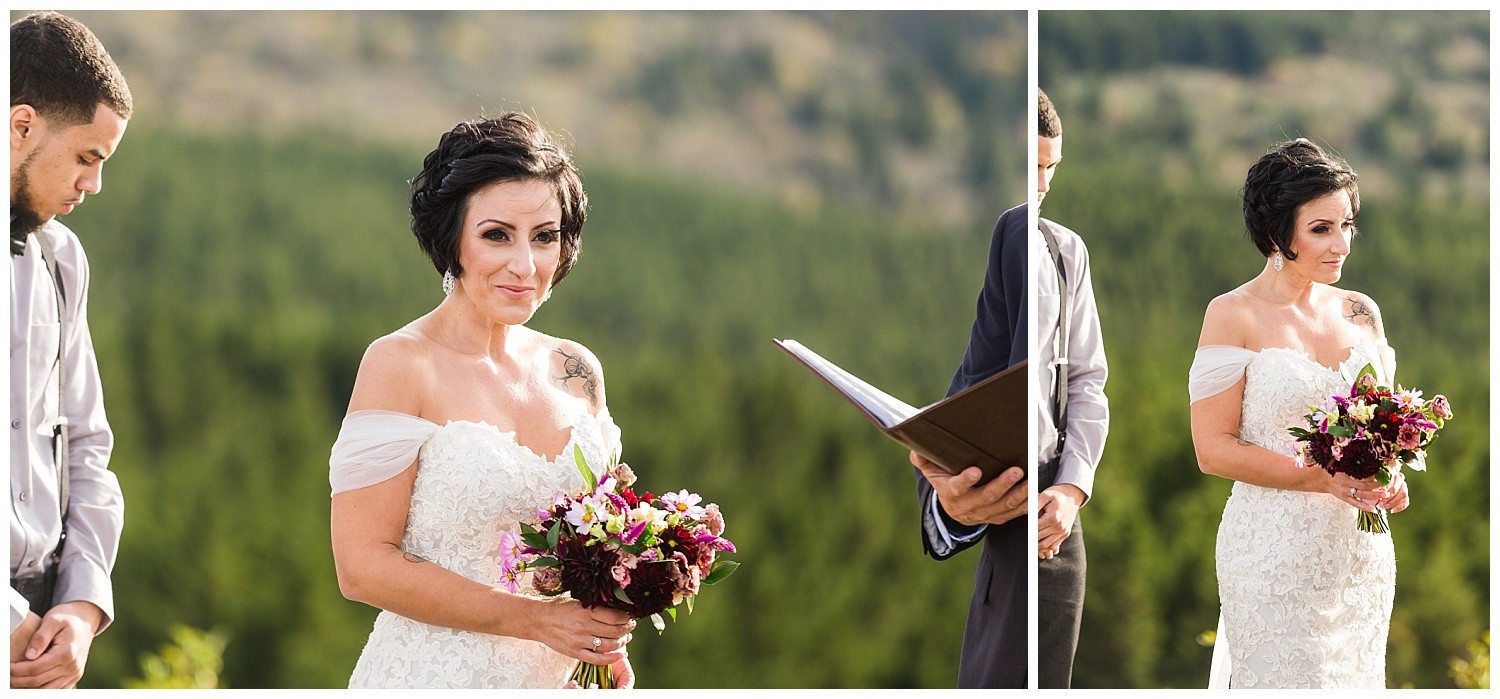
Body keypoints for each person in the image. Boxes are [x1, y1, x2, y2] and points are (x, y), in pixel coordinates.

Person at [328, 113, 635, 688]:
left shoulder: (577, 371)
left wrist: (603, 638)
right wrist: (537, 621)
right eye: (498, 235)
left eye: (545, 236)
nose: (526, 265)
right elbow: (362, 568)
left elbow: (598, 546)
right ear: (453, 242)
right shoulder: (400, 364)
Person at [1189, 138, 1407, 688]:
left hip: (1361, 557)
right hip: (1274, 556)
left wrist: (1393, 475)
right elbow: (1212, 450)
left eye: (1349, 225)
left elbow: (1386, 426)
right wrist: (1320, 478)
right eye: (1321, 229)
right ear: (1275, 231)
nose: (1343, 244)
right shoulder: (1232, 313)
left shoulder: (1361, 312)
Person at [911, 88, 1108, 689]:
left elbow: (1086, 379)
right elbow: (975, 381)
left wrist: (1073, 489)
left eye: (1052, 167)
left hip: (1056, 529)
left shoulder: (1067, 250)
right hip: (1004, 530)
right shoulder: (1006, 235)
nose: (1043, 183)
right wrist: (944, 495)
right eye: (1031, 166)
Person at [9, 11, 131, 690]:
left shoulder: (64, 260)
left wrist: (82, 606)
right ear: (21, 125)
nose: (94, 184)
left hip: (46, 635)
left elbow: (87, 444)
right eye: (88, 157)